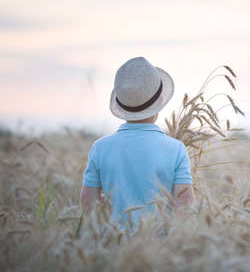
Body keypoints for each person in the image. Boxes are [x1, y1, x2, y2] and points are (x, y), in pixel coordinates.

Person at [80, 57, 194, 225]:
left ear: (121, 105)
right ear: (160, 101)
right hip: (161, 247)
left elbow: (87, 203)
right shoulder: (176, 149)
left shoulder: (100, 148)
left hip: (109, 245)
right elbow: (185, 207)